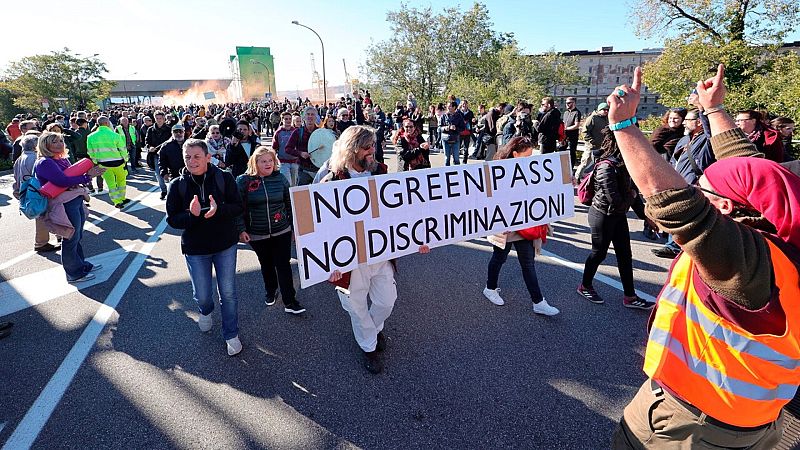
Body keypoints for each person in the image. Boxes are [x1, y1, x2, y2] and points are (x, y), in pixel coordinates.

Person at [610, 64, 800, 449]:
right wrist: (714, 110)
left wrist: (624, 127)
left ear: (726, 211)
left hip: (693, 424)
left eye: (703, 190)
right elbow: (754, 172)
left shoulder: (746, 265)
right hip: (754, 420)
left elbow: (676, 206)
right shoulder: (780, 234)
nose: (697, 191)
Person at [321, 125, 429, 374]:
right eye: (367, 147)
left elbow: (400, 211)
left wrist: (418, 237)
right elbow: (321, 228)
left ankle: (372, 331)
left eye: (374, 146)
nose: (373, 151)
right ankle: (368, 347)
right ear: (352, 150)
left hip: (381, 253)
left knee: (386, 301)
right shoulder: (331, 181)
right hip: (350, 259)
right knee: (357, 308)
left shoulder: (381, 173)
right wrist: (330, 263)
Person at [165, 139, 244, 356]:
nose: (192, 161)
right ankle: (205, 311)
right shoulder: (177, 185)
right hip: (196, 248)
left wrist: (219, 210)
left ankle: (231, 333)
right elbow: (172, 219)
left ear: (208, 157)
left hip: (225, 244)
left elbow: (238, 206)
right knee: (202, 295)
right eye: (187, 157)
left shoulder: (224, 177)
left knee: (228, 292)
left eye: (197, 156)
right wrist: (192, 215)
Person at [576, 126, 654, 310]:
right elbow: (619, 201)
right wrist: (633, 195)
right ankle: (584, 286)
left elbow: (631, 194)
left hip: (617, 216)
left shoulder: (624, 163)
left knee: (625, 255)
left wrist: (647, 218)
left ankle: (630, 296)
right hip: (602, 215)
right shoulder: (605, 167)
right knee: (599, 253)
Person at [482, 137, 560, 316]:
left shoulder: (531, 171)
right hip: (505, 227)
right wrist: (501, 221)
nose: (531, 159)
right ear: (515, 154)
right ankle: (490, 288)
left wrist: (564, 182)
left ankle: (538, 302)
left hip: (524, 225)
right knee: (499, 258)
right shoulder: (498, 172)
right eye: (527, 155)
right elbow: (490, 199)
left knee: (528, 263)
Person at [236, 147, 304, 314]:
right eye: (263, 161)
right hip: (256, 233)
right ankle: (271, 290)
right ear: (255, 162)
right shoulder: (243, 181)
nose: (267, 164)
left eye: (270, 160)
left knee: (283, 265)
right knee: (266, 264)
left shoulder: (280, 179)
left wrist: (294, 228)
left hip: (282, 230)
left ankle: (290, 301)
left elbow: (290, 205)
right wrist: (241, 230)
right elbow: (237, 209)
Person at [34, 131, 105, 283]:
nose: (60, 144)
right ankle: (74, 273)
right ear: (45, 145)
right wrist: (88, 176)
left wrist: (86, 175)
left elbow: (70, 178)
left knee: (77, 235)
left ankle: (81, 265)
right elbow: (62, 181)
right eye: (54, 142)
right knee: (70, 236)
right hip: (63, 202)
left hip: (74, 199)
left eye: (61, 141)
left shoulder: (60, 159)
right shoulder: (45, 162)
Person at [651, 106, 715, 259]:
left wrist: (702, 107)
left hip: (694, 183)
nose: (684, 123)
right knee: (676, 214)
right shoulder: (684, 139)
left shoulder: (705, 138)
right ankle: (672, 245)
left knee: (687, 217)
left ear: (699, 122)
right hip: (678, 182)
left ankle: (676, 246)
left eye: (688, 120)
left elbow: (710, 130)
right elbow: (674, 160)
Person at [13, 134, 59, 252]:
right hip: (38, 191)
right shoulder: (35, 158)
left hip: (27, 191)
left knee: (42, 216)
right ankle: (42, 242)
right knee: (45, 215)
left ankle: (51, 239)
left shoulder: (21, 158)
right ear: (35, 146)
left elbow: (16, 176)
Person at [87, 116, 129, 208]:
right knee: (121, 181)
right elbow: (123, 149)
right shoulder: (115, 135)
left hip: (103, 164)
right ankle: (122, 198)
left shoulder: (90, 137)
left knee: (110, 183)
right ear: (107, 123)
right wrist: (125, 159)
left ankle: (117, 201)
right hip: (118, 163)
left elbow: (90, 152)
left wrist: (96, 161)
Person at [285, 106, 320, 185]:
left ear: (316, 117)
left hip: (319, 170)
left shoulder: (321, 132)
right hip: (303, 170)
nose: (310, 116)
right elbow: (288, 148)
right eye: (308, 114)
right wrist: (300, 153)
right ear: (304, 117)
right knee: (302, 196)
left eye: (312, 114)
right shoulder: (297, 132)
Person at [574, 103, 610, 179]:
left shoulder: (607, 118)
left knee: (600, 163)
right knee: (585, 162)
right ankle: (577, 177)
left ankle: (596, 177)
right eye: (604, 110)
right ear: (599, 110)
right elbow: (584, 131)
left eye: (607, 110)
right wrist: (591, 141)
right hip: (591, 146)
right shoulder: (592, 118)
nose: (606, 111)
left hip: (602, 145)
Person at [145, 111, 172, 199]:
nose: (159, 120)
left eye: (160, 118)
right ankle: (163, 190)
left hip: (168, 154)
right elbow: (147, 141)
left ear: (164, 119)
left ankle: (172, 190)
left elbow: (172, 140)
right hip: (156, 155)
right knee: (158, 173)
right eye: (157, 118)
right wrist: (150, 147)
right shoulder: (150, 129)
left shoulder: (169, 129)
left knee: (171, 173)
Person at [272, 112, 298, 186]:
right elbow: (274, 147)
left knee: (294, 185)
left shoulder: (295, 131)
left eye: (290, 119)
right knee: (287, 183)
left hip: (295, 162)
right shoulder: (278, 132)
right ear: (282, 120)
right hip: (283, 162)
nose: (288, 120)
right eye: (286, 119)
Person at [438, 101, 466, 166]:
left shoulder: (459, 116)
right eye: (447, 106)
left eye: (450, 106)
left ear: (454, 107)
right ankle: (446, 173)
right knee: (446, 158)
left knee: (456, 159)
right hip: (445, 139)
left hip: (455, 139)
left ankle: (457, 173)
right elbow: (439, 128)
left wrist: (456, 128)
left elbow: (463, 128)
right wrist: (445, 128)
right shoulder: (443, 116)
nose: (448, 107)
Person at [562, 97, 583, 166]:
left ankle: (571, 167)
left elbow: (576, 125)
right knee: (561, 150)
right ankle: (562, 166)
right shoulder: (565, 112)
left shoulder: (577, 112)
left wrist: (566, 128)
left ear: (574, 103)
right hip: (564, 135)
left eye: (569, 103)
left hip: (573, 136)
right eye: (566, 103)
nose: (567, 104)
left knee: (572, 152)